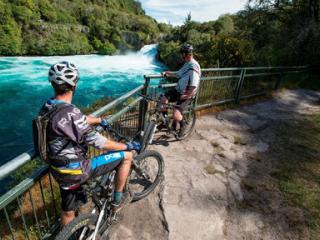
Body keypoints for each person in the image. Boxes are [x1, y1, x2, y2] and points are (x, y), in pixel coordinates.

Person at [38, 61, 140, 226]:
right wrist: (128, 146)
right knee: (126, 156)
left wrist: (98, 119)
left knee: (68, 211)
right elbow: (100, 143)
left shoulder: (48, 107)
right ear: (74, 85)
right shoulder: (71, 112)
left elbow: (75, 120)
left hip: (58, 169)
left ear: (53, 85)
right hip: (76, 170)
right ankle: (116, 202)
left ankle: (67, 235)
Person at [161, 43, 201, 136]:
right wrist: (167, 73)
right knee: (163, 99)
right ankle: (165, 123)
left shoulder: (193, 66)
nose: (181, 55)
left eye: (182, 53)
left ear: (185, 54)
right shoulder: (187, 64)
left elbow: (194, 84)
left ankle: (183, 126)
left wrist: (187, 95)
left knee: (176, 114)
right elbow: (178, 74)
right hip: (178, 90)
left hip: (187, 93)